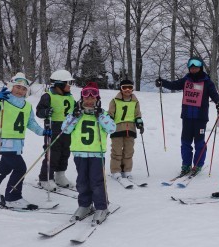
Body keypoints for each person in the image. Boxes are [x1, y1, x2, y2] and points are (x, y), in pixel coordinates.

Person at [0, 72, 50, 210]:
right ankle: (13, 198)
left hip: (17, 144)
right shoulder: (2, 101)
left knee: (4, 168)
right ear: (11, 87)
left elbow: (30, 123)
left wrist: (42, 132)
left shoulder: (27, 106)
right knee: (20, 168)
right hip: (4, 143)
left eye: (23, 89)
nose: (20, 91)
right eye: (17, 87)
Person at [155, 57, 219, 177]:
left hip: (200, 118)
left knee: (199, 143)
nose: (193, 69)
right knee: (185, 142)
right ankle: (186, 165)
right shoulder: (186, 80)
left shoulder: (207, 82)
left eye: (196, 67)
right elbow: (173, 85)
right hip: (187, 117)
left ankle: (198, 165)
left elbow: (214, 95)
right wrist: (162, 83)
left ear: (200, 68)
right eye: (191, 67)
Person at [61, 82, 116, 224]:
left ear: (97, 99)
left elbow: (112, 128)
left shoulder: (102, 114)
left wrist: (100, 116)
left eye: (93, 98)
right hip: (80, 154)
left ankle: (101, 207)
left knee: (97, 182)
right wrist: (75, 116)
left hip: (96, 154)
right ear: (82, 99)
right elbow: (65, 129)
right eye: (86, 97)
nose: (90, 100)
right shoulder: (76, 114)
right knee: (82, 182)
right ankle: (85, 205)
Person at [36, 69, 75, 191]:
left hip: (67, 130)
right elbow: (39, 112)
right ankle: (45, 178)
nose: (70, 85)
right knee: (52, 154)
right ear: (59, 84)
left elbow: (74, 110)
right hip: (53, 128)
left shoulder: (70, 97)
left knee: (65, 153)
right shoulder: (48, 96)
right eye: (68, 83)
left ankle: (60, 175)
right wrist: (46, 112)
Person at [108, 79, 143, 182]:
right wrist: (108, 123)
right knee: (116, 151)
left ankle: (127, 170)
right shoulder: (115, 101)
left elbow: (137, 114)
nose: (127, 90)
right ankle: (115, 170)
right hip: (117, 129)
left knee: (129, 151)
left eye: (130, 88)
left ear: (133, 89)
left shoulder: (135, 102)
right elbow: (110, 114)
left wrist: (139, 123)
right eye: (124, 88)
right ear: (121, 89)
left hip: (130, 129)